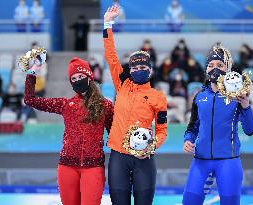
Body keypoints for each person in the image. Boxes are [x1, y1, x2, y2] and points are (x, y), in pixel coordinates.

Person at [23, 56, 114, 205]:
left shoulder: (105, 106)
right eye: (74, 78)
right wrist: (34, 69)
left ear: (89, 77)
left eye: (81, 76)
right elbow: (30, 99)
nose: (78, 80)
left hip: (93, 167)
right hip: (67, 167)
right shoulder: (66, 104)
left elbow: (114, 135)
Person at [103, 5, 167, 205]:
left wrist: (152, 145)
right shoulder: (122, 83)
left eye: (143, 67)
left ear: (149, 70)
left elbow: (162, 130)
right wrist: (107, 24)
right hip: (118, 156)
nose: (138, 70)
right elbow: (111, 55)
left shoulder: (158, 97)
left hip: (144, 160)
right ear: (129, 70)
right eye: (135, 67)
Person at [182, 44, 253, 205]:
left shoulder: (237, 96)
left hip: (228, 161)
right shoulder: (199, 97)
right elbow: (192, 128)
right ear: (206, 70)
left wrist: (246, 106)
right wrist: (187, 140)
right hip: (201, 161)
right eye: (211, 65)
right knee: (189, 202)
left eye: (220, 65)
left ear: (227, 69)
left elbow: (250, 130)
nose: (215, 69)